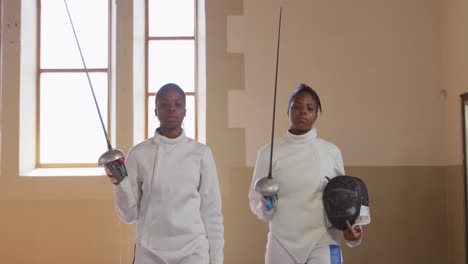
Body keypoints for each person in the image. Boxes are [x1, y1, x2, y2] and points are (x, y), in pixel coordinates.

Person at [102, 83, 224, 264]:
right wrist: (119, 181)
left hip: (193, 250)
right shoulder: (138, 154)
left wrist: (216, 260)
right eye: (164, 104)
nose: (171, 109)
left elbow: (211, 212)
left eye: (178, 104)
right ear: (156, 110)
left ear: (185, 110)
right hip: (150, 249)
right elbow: (129, 215)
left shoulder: (201, 153)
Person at [249, 83, 364, 264]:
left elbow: (344, 200)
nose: (303, 112)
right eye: (296, 107)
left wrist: (352, 233)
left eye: (309, 108)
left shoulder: (331, 152)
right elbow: (255, 201)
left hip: (322, 238)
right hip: (281, 242)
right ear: (287, 111)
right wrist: (266, 206)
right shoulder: (268, 152)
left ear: (316, 115)